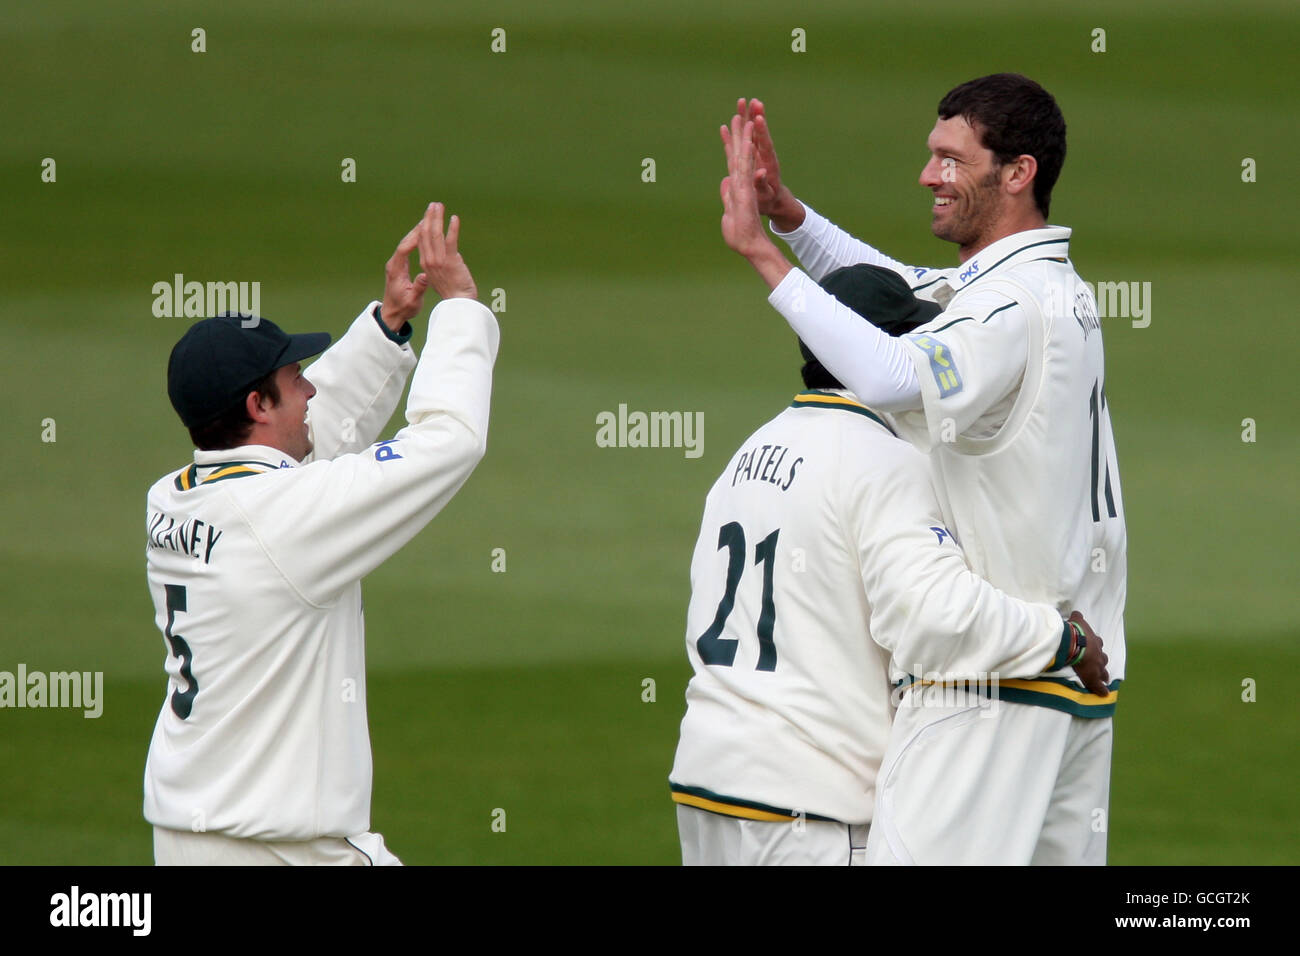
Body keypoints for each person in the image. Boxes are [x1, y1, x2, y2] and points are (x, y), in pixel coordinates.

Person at [717, 74, 1126, 864]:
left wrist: (764, 258)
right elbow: (910, 291)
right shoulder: (1046, 288)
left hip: (990, 683)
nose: (927, 176)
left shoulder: (1009, 308)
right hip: (1068, 676)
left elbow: (896, 374)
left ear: (1018, 172)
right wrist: (794, 219)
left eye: (950, 159)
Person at [669, 262, 1109, 866]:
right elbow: (938, 618)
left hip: (705, 787)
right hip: (806, 811)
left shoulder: (748, 453)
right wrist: (1062, 637)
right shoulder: (883, 462)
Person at [144, 203, 498, 865]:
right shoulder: (283, 517)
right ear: (256, 405)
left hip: (189, 835)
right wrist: (461, 309)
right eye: (293, 378)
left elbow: (306, 439)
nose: (309, 387)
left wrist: (388, 326)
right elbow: (447, 443)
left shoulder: (174, 498)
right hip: (284, 848)